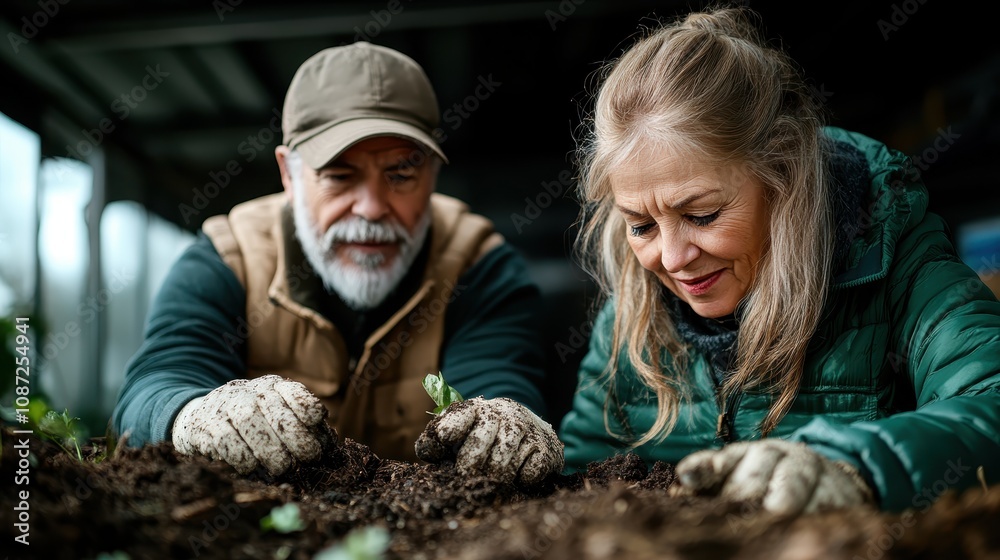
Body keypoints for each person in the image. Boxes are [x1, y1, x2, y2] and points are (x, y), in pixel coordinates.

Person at [558, 5, 1000, 514]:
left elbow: (988, 401)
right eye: (642, 226)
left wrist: (853, 467)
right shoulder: (629, 315)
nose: (672, 259)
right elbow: (579, 479)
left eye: (702, 215)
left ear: (784, 178)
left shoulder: (897, 258)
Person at [111, 42, 564, 484]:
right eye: (339, 176)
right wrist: (193, 414)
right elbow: (159, 380)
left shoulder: (479, 266)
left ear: (431, 176)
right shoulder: (228, 258)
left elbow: (498, 381)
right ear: (289, 174)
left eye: (401, 174)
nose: (371, 208)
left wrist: (506, 420)